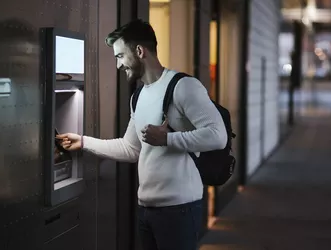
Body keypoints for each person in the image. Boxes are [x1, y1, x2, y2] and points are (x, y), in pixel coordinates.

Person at [57, 19, 227, 250]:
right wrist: (84, 142)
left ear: (139, 51)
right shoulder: (138, 96)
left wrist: (167, 139)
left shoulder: (183, 86)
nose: (118, 65)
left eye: (119, 56)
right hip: (147, 209)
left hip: (179, 209)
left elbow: (218, 136)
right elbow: (131, 148)